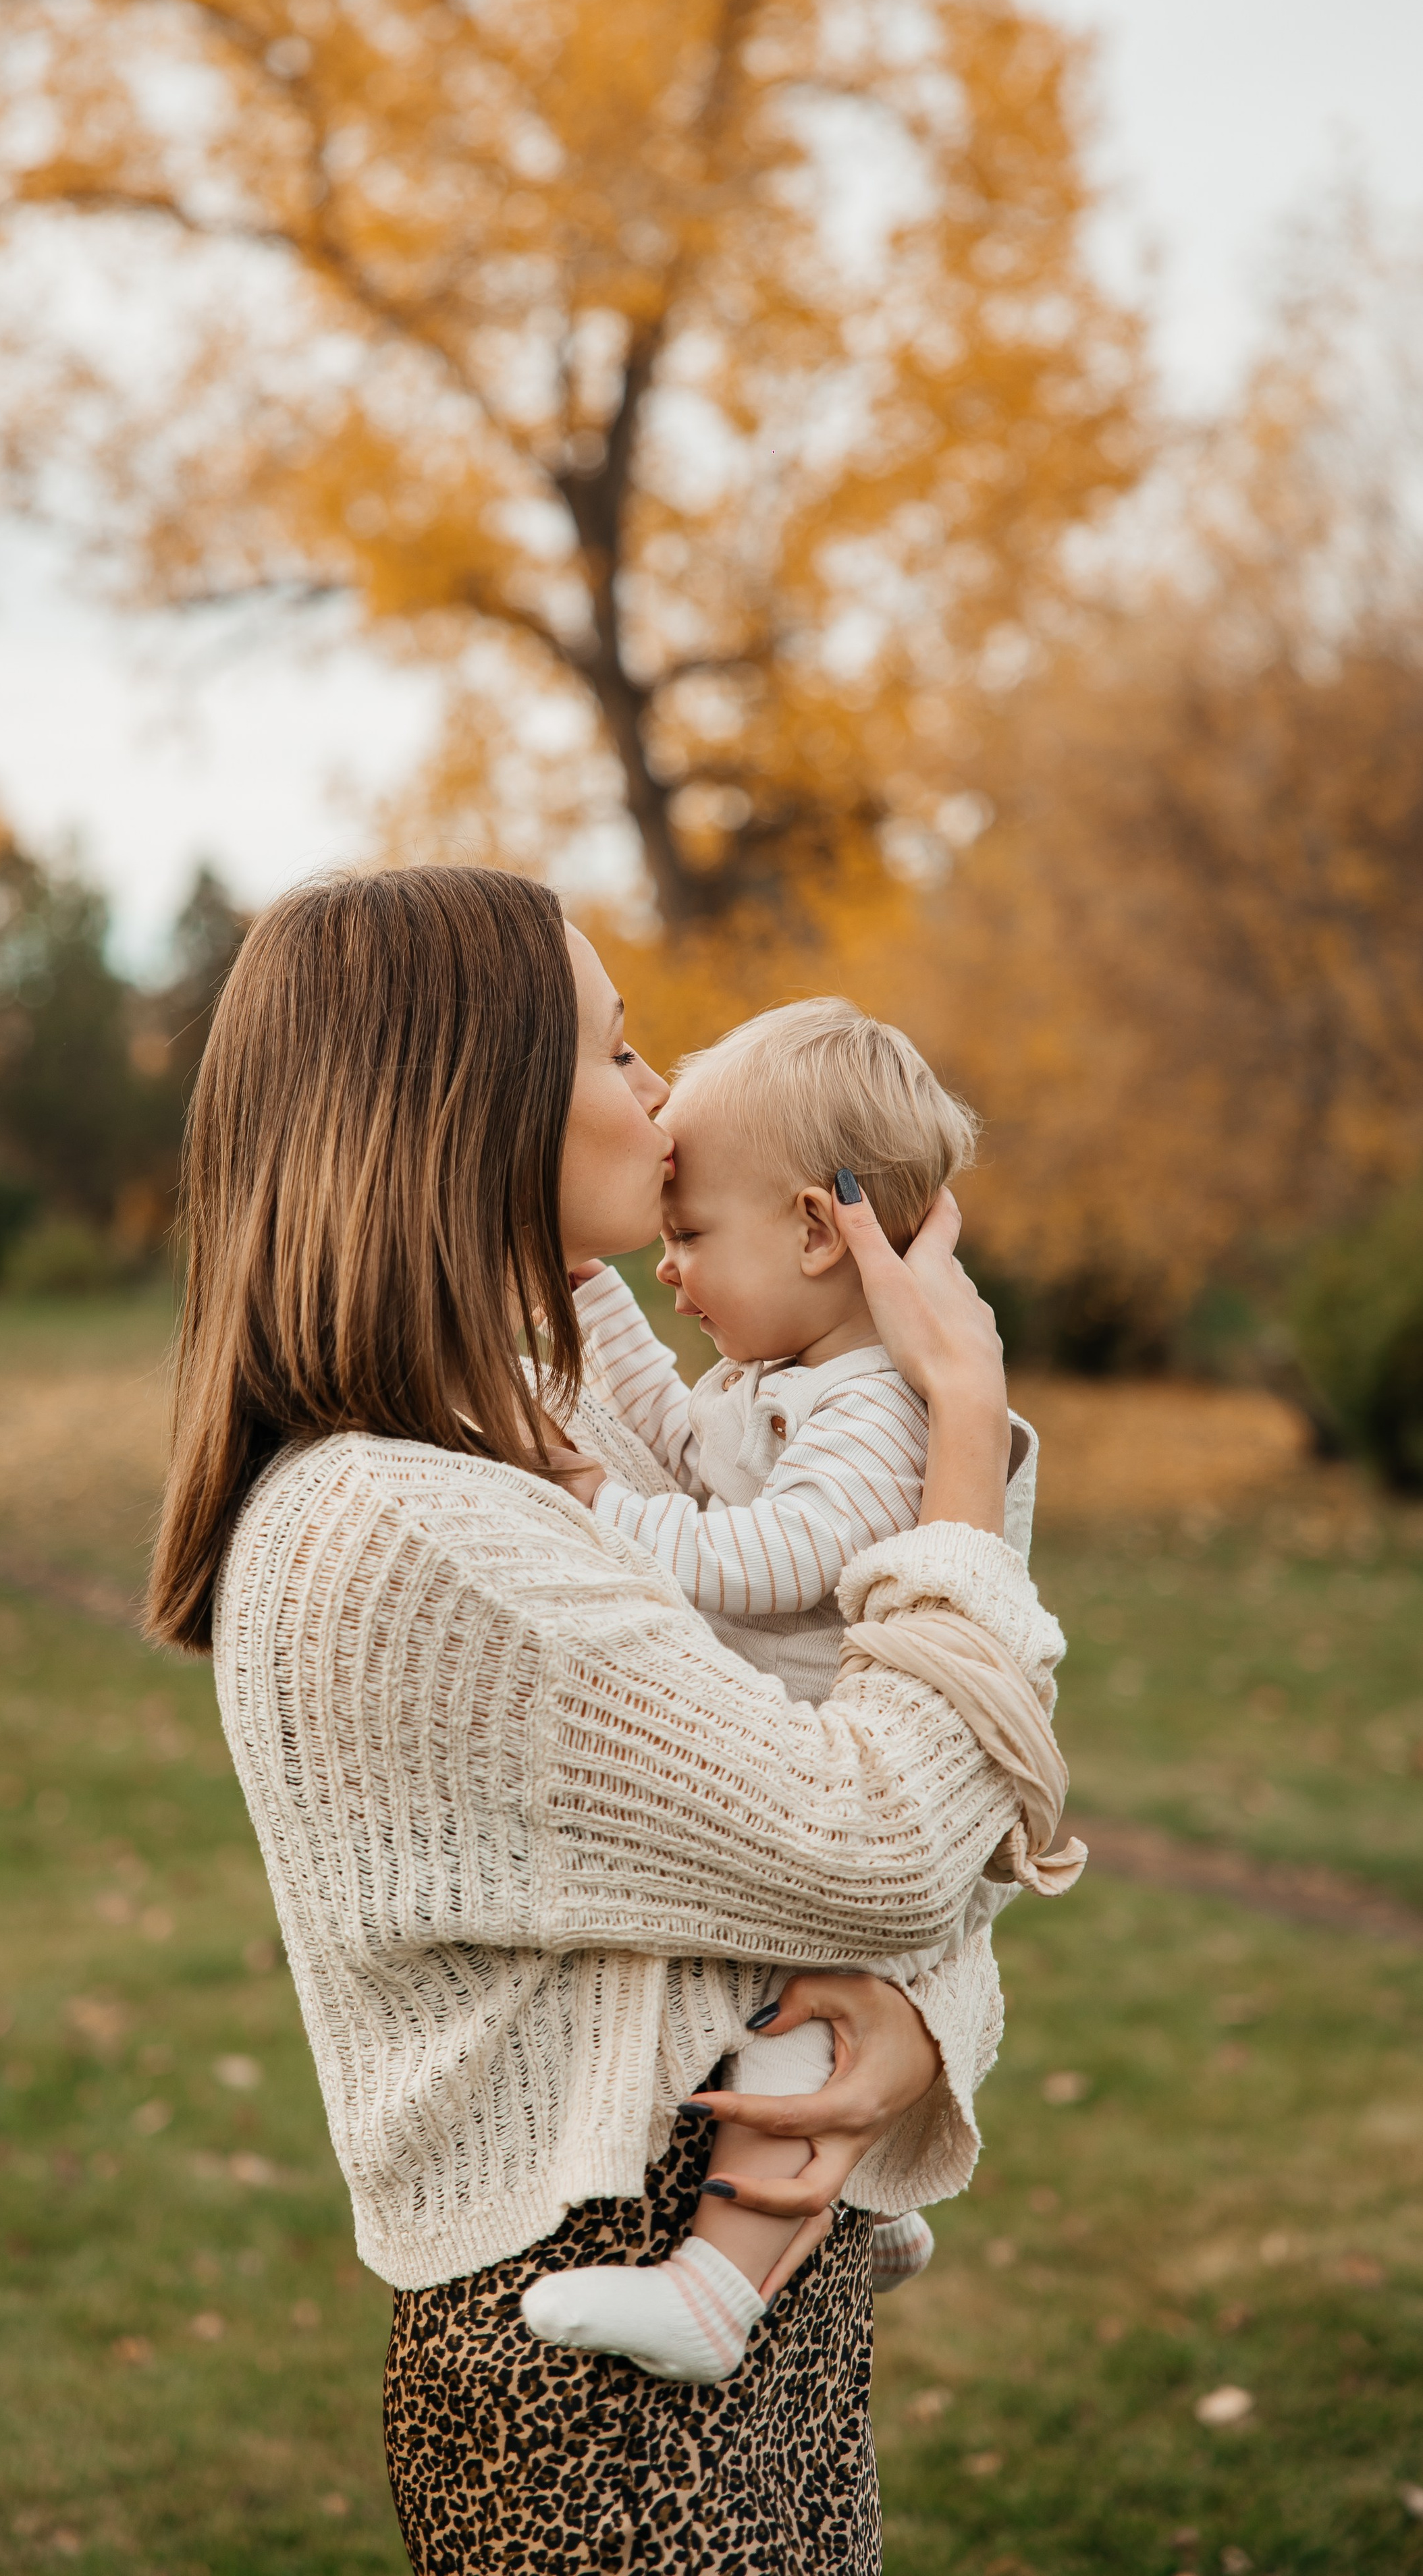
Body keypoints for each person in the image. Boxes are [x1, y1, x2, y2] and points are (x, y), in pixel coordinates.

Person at [147, 867, 1067, 2575]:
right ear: (475, 1105)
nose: (660, 1097)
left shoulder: (518, 1437)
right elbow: (882, 1841)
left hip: (739, 2335)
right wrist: (958, 1424)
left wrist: (914, 2011)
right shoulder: (413, 1527)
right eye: (616, 1048)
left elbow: (918, 1797)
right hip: (607, 2423)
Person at [517, 996, 1083, 2386]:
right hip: (816, 1762)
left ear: (817, 1232)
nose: (669, 1270)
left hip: (867, 1770)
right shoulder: (776, 1378)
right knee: (797, 2029)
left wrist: (599, 1509)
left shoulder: (872, 1409)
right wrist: (585, 1286)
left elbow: (767, 1560)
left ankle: (716, 2291)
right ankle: (852, 2209)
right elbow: (674, 1435)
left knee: (795, 2030)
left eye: (690, 1237)